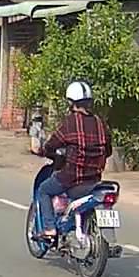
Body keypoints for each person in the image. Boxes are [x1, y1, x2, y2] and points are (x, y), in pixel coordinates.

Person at [34, 80, 112, 238]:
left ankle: (50, 228)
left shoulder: (70, 122)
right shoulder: (100, 123)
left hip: (71, 178)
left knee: (44, 190)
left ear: (71, 102)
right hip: (94, 179)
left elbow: (52, 145)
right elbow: (108, 150)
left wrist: (45, 151)